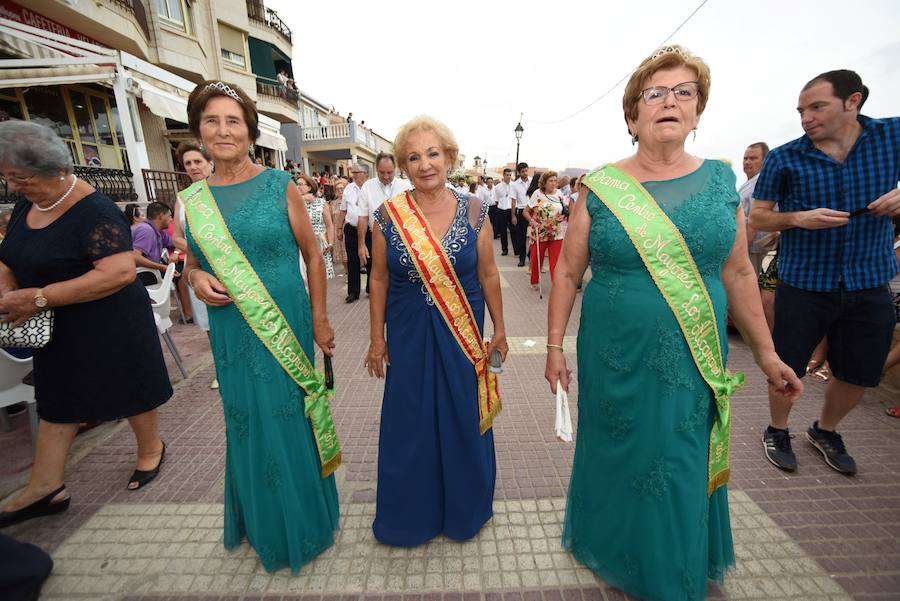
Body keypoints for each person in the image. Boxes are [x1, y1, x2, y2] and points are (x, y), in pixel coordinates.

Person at [544, 46, 802, 601]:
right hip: (614, 351)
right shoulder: (600, 186)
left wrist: (766, 353)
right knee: (617, 449)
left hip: (693, 352)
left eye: (684, 92)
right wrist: (554, 347)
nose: (670, 101)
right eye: (655, 93)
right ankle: (613, 544)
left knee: (678, 456)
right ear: (632, 115)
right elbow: (566, 272)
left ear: (697, 110)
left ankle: (671, 564)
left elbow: (738, 272)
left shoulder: (719, 181)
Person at [180, 80, 339, 572]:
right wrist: (195, 277)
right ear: (199, 131)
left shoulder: (278, 185)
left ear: (249, 131)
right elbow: (193, 263)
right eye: (212, 121)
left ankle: (305, 522)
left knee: (288, 416)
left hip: (285, 322)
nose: (223, 131)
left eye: (233, 121)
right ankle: (264, 521)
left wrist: (320, 319)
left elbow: (313, 255)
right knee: (246, 418)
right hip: (231, 328)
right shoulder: (193, 200)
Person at [0, 120, 172, 528]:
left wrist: (38, 297)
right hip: (56, 327)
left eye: (21, 178)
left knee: (132, 389)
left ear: (56, 168)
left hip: (109, 320)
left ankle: (151, 449)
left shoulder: (96, 211)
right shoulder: (27, 204)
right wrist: (8, 289)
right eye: (7, 178)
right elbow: (9, 257)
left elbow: (118, 273)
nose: (13, 186)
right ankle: (46, 486)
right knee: (56, 399)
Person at [365, 115, 507, 547]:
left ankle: (465, 510)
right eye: (413, 157)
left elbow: (489, 273)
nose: (424, 164)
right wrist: (376, 338)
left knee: (463, 413)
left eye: (432, 154)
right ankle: (411, 516)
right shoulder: (388, 216)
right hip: (408, 331)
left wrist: (500, 329)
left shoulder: (476, 211)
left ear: (449, 158)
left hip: (462, 331)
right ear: (403, 166)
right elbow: (378, 278)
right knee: (410, 419)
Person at [750, 69, 899, 475]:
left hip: (869, 279)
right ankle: (778, 429)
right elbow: (759, 216)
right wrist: (798, 218)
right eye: (801, 110)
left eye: (817, 107)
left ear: (853, 101)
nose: (806, 118)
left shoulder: (892, 135)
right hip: (804, 281)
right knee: (786, 363)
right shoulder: (785, 157)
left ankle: (825, 430)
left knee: (860, 371)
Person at [172, 141, 217, 388]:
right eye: (188, 163)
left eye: (198, 161)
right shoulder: (183, 198)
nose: (193, 167)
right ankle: (221, 368)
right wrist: (198, 249)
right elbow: (176, 237)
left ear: (210, 163)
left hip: (226, 264)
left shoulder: (220, 191)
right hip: (198, 268)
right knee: (209, 321)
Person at [357, 152, 412, 270]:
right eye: (382, 173)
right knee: (375, 273)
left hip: (401, 240)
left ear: (395, 169)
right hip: (374, 239)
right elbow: (363, 217)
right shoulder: (367, 187)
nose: (386, 176)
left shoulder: (406, 187)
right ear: (376, 169)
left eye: (390, 172)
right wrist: (361, 245)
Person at [524, 170, 568, 288]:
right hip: (540, 232)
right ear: (544, 182)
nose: (553, 183)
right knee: (537, 259)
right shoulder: (538, 194)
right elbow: (526, 212)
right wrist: (532, 221)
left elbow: (565, 210)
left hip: (556, 232)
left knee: (556, 261)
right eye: (550, 181)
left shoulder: (559, 193)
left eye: (555, 181)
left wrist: (563, 216)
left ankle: (556, 284)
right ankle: (534, 281)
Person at [740, 142, 772, 275]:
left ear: (765, 161)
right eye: (745, 158)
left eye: (753, 158)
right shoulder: (748, 183)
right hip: (747, 244)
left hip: (753, 247)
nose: (747, 162)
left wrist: (742, 250)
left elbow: (754, 220)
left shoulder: (760, 183)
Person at [337, 165, 368, 302]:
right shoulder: (349, 189)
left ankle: (371, 288)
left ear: (365, 173)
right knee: (352, 260)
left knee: (370, 259)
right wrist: (339, 228)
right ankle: (353, 292)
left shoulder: (371, 187)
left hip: (368, 229)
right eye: (352, 172)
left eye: (356, 172)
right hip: (351, 228)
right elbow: (343, 210)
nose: (353, 175)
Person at [297, 174, 335, 279]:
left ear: (309, 187)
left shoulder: (321, 203)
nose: (297, 187)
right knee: (304, 277)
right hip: (302, 244)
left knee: (319, 277)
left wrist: (330, 243)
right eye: (297, 184)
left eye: (300, 184)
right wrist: (302, 198)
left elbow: (329, 225)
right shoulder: (296, 202)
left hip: (319, 243)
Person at [132, 202, 174, 286]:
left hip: (151, 270)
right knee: (180, 275)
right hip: (140, 274)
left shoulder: (159, 232)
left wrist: (176, 252)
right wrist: (162, 267)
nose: (171, 219)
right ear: (161, 216)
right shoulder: (146, 230)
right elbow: (135, 257)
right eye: (169, 216)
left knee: (178, 271)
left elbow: (176, 243)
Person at [510, 162, 532, 266]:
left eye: (526, 170)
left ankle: (530, 255)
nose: (525, 173)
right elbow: (513, 201)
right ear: (519, 173)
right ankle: (522, 259)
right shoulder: (515, 185)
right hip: (521, 211)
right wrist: (513, 216)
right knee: (521, 237)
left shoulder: (533, 181)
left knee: (534, 235)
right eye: (523, 171)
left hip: (532, 211)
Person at [494, 168, 515, 256]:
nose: (509, 177)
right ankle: (504, 249)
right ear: (503, 175)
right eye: (507, 175)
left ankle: (516, 250)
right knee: (503, 231)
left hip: (511, 209)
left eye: (510, 175)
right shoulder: (498, 187)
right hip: (501, 210)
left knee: (514, 230)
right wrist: (500, 207)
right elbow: (496, 200)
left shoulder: (514, 185)